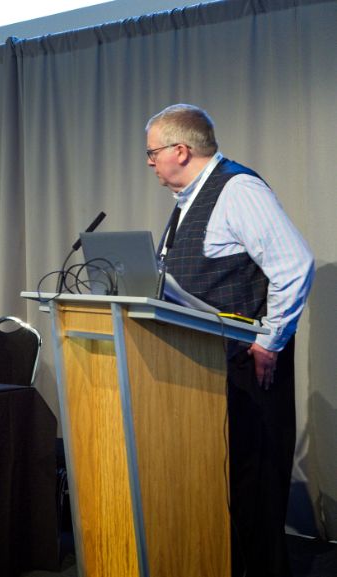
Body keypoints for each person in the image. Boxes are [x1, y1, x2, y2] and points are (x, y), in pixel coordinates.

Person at [145, 104, 314, 577]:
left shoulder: (238, 190)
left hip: (245, 361)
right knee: (219, 485)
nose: (151, 162)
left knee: (251, 483)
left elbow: (294, 265)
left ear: (181, 150)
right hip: (201, 364)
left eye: (153, 152)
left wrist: (270, 343)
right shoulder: (187, 202)